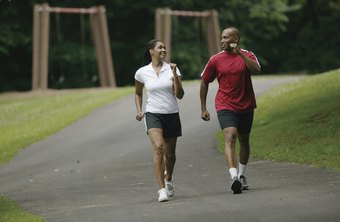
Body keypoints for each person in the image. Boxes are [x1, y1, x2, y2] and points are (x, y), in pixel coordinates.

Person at [199, 27, 261, 194]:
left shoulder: (248, 55)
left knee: (244, 140)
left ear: (236, 39)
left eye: (226, 38)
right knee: (230, 135)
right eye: (221, 37)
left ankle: (241, 176)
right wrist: (203, 108)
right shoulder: (215, 59)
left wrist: (239, 54)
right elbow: (204, 82)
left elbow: (256, 70)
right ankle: (233, 177)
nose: (222, 41)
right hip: (225, 104)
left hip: (246, 104)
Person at [134, 39, 184, 202]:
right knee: (159, 148)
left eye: (164, 47)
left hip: (171, 113)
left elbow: (180, 95)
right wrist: (139, 110)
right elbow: (138, 93)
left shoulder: (172, 69)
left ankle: (168, 178)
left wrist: (175, 75)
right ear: (151, 51)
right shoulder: (142, 72)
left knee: (170, 155)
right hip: (153, 114)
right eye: (159, 47)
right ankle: (161, 189)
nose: (163, 50)